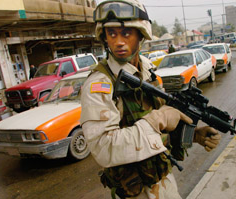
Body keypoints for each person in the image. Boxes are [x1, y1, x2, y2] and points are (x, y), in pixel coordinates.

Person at [80, 0, 221, 198]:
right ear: (104, 37)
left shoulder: (148, 73)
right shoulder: (100, 84)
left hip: (163, 183)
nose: (119, 41)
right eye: (112, 34)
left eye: (126, 33)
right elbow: (103, 149)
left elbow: (161, 131)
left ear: (141, 35)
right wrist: (157, 119)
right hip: (135, 192)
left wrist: (194, 134)